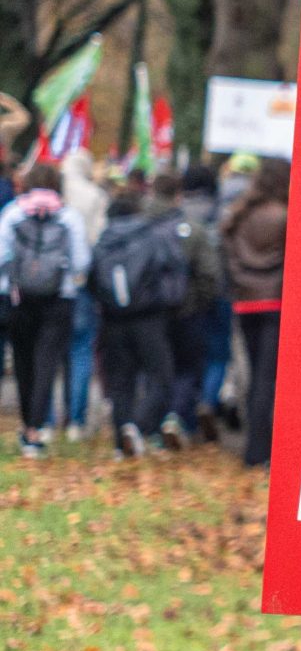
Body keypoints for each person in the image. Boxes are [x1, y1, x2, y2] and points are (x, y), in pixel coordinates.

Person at [91, 180, 189, 457]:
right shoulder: (153, 236)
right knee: (161, 376)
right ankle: (140, 424)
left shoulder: (104, 239)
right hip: (149, 318)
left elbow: (90, 278)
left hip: (113, 320)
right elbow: (174, 269)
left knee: (120, 380)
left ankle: (123, 439)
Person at [1, 164, 89, 457]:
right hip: (58, 299)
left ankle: (27, 427)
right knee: (46, 364)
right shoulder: (68, 216)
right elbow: (80, 262)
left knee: (24, 363)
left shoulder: (13, 212)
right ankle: (38, 429)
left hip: (17, 298)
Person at [221, 158, 289, 468]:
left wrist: (238, 284)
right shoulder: (285, 216)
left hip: (245, 302)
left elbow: (227, 256)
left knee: (252, 375)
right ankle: (260, 451)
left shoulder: (240, 214)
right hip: (274, 303)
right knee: (266, 379)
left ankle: (254, 446)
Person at [171, 164, 233, 435]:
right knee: (218, 355)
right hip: (220, 294)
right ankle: (208, 401)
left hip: (182, 299)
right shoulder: (225, 213)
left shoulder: (176, 212)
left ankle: (180, 413)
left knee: (183, 358)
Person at [57, 147, 109, 436]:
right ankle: (75, 419)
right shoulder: (94, 195)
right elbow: (99, 240)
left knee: (49, 352)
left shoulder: (51, 192)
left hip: (45, 285)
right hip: (82, 283)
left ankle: (45, 420)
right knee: (80, 349)